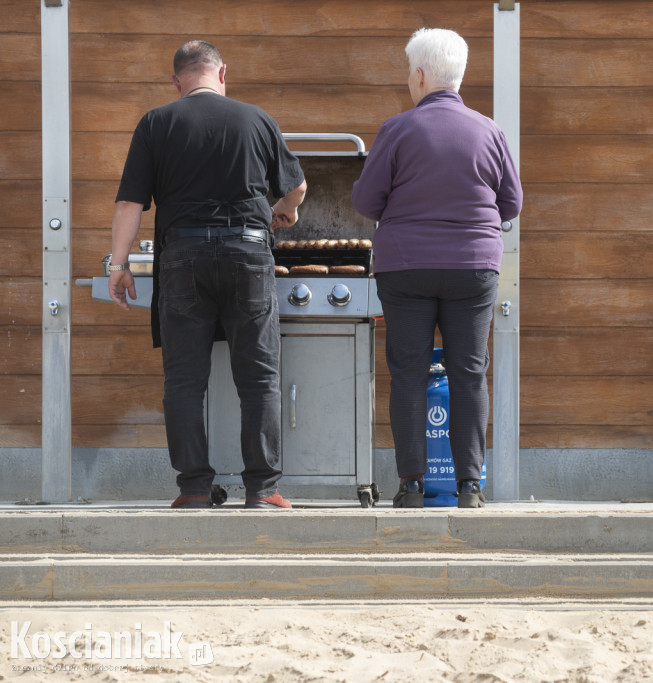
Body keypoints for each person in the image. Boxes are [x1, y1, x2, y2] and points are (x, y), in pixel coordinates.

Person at [108, 40, 307, 510]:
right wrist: (286, 211)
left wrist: (118, 266)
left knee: (183, 380)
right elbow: (296, 185)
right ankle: (263, 490)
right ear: (223, 74)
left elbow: (128, 204)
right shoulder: (257, 119)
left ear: (177, 82)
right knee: (259, 378)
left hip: (183, 257)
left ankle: (194, 488)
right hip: (249, 254)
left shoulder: (157, 122)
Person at [352, 27, 523, 509]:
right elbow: (511, 203)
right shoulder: (489, 131)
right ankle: (470, 487)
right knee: (470, 371)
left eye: (410, 72)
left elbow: (365, 200)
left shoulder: (398, 129)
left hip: (405, 267)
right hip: (473, 268)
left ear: (421, 75)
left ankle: (411, 487)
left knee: (407, 371)